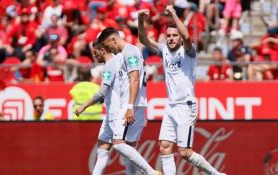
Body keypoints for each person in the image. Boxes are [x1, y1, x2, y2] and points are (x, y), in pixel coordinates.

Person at [138, 6, 226, 175]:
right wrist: (141, 22)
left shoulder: (188, 51)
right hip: (171, 106)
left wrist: (173, 14)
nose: (171, 39)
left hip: (186, 106)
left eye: (174, 36)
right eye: (169, 36)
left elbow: (186, 36)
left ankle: (216, 174)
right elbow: (144, 40)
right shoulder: (164, 50)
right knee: (164, 147)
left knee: (184, 152)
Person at [94, 27, 161, 175]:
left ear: (113, 39)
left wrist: (130, 107)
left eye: (107, 45)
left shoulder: (129, 51)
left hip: (131, 103)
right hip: (135, 103)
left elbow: (135, 79)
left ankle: (150, 172)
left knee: (118, 144)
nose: (108, 49)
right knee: (129, 147)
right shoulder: (126, 53)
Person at [76, 40, 131, 174]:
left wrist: (84, 106)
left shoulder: (110, 65)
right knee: (102, 149)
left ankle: (149, 171)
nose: (94, 56)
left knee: (121, 146)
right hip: (110, 114)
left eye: (95, 53)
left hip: (115, 114)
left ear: (102, 51)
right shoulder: (115, 63)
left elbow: (101, 92)